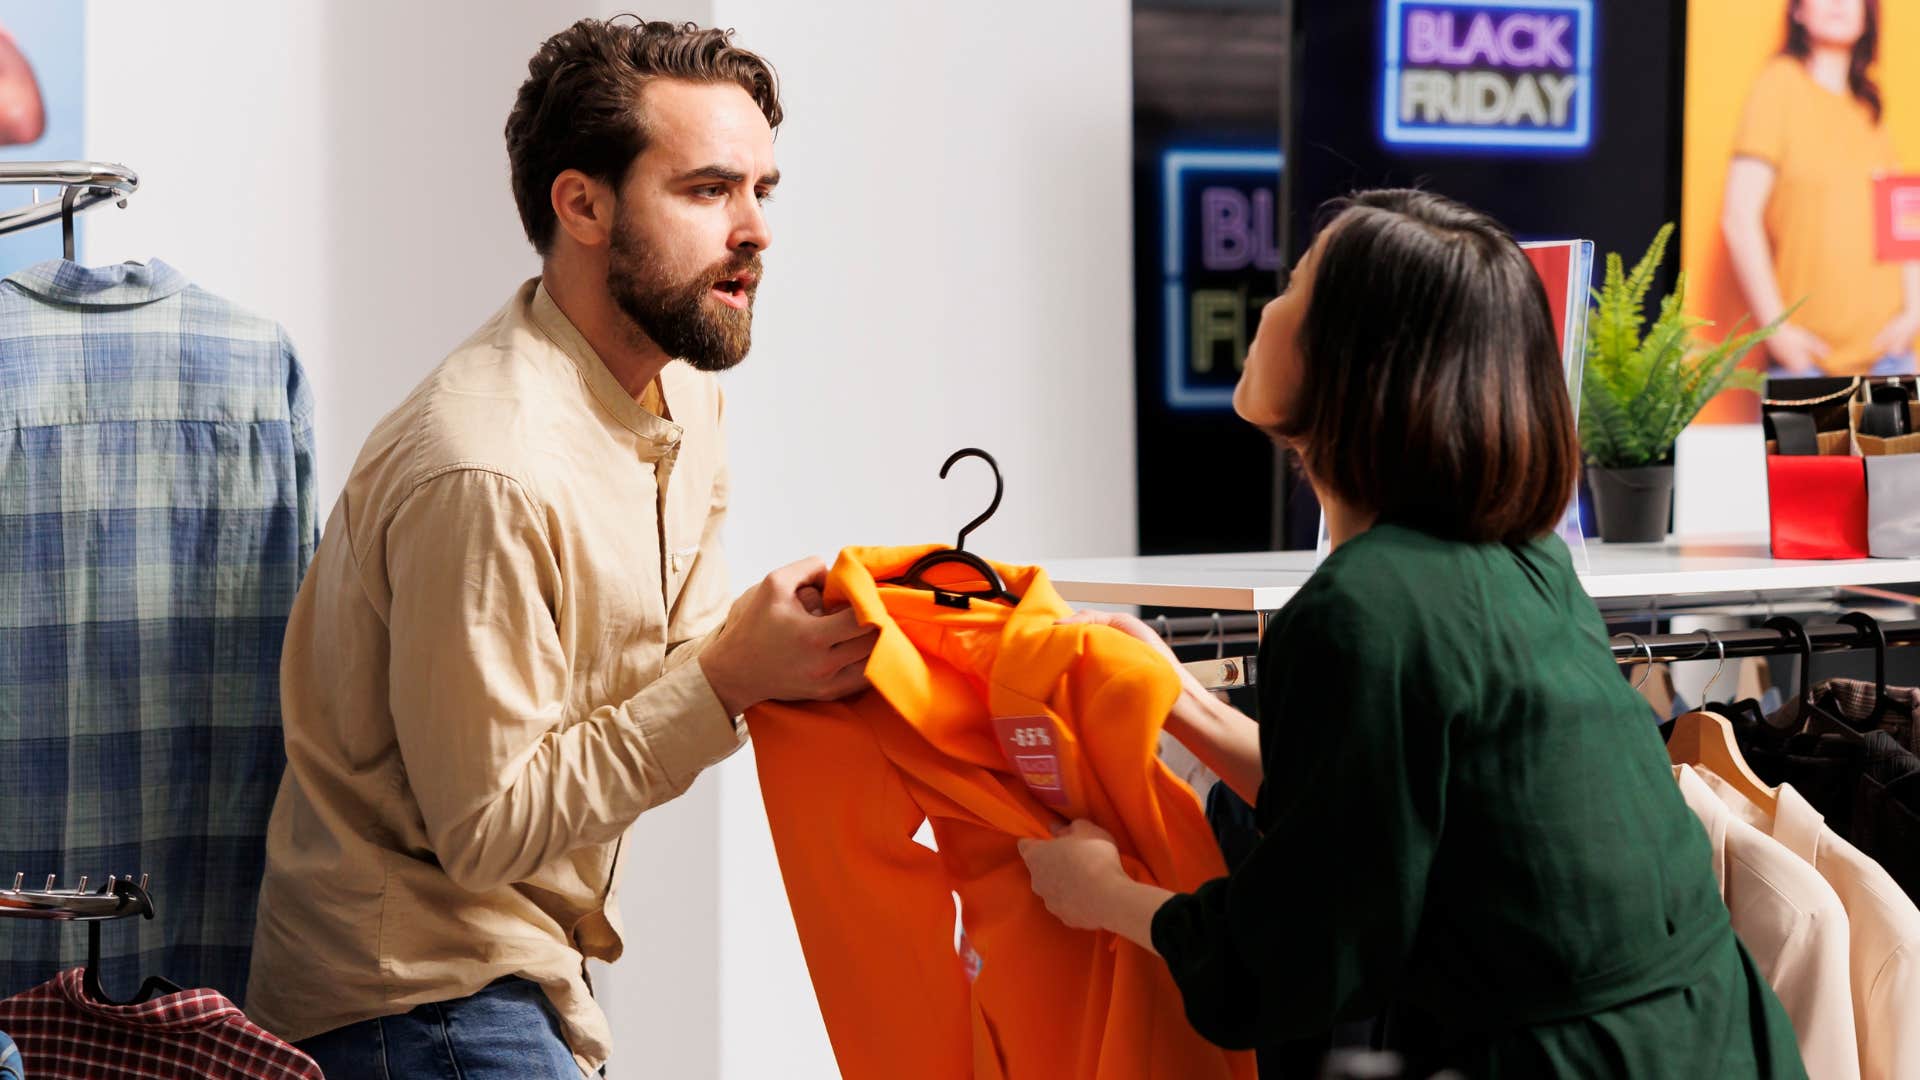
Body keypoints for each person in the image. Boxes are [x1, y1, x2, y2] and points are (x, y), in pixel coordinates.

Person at [1019, 190, 1807, 1077]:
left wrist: (1105, 896)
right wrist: (1178, 699)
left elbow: (1301, 951)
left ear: (1359, 362)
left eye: (1296, 288)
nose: (1267, 306)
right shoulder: (1523, 566)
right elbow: (1375, 809)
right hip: (1714, 1038)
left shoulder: (1361, 609)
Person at [244, 18, 876, 1079]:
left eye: (764, 189)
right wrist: (729, 680)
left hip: (526, 974)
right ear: (580, 204)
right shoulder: (483, 468)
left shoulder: (683, 395)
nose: (755, 228)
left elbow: (667, 676)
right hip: (412, 1000)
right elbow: (488, 827)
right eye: (708, 190)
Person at [1723, 0, 1917, 377]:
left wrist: (1914, 313)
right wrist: (1777, 332)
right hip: (1806, 363)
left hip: (1889, 357)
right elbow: (1738, 218)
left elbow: (1904, 221)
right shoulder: (1777, 86)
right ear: (1797, 11)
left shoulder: (1870, 107)